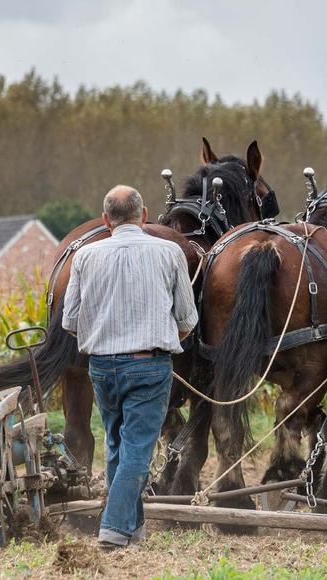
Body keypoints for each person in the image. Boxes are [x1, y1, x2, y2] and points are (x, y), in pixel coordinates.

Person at [62, 185, 198, 551]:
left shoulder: (85, 256)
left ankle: (132, 528)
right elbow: (187, 318)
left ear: (105, 219)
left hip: (102, 368)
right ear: (145, 214)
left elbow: (70, 321)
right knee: (137, 449)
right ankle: (114, 528)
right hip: (149, 365)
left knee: (117, 444)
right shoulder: (169, 252)